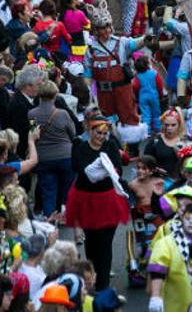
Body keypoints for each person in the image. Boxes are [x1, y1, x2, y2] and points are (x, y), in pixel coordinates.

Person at [64, 115, 129, 291]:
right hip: (86, 199)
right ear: (90, 131)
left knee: (105, 242)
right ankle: (92, 275)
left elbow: (118, 168)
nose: (101, 136)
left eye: (104, 133)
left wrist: (105, 169)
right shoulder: (80, 146)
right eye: (98, 132)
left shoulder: (111, 145)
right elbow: (78, 167)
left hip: (108, 199)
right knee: (91, 242)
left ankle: (103, 285)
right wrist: (97, 169)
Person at [148, 202, 192, 312]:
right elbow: (157, 270)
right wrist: (155, 296)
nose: (191, 222)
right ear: (182, 219)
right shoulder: (167, 242)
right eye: (187, 219)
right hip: (176, 304)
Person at [28, 80, 75, 216]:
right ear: (55, 95)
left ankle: (50, 220)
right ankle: (64, 214)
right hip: (65, 157)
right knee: (66, 189)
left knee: (48, 191)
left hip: (43, 158)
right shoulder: (62, 114)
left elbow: (33, 134)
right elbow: (73, 134)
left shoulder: (31, 114)